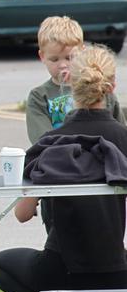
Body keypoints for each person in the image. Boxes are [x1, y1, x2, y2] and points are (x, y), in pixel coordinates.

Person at [0, 44, 127, 292]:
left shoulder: (50, 143)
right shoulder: (123, 139)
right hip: (116, 270)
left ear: (68, 84)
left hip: (60, 271)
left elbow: (23, 214)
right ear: (111, 86)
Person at [25, 16, 125, 232]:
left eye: (69, 57)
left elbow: (119, 134)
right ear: (42, 56)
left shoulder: (102, 90)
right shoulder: (39, 96)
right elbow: (42, 140)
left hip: (103, 185)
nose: (62, 64)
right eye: (54, 59)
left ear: (81, 52)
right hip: (59, 184)